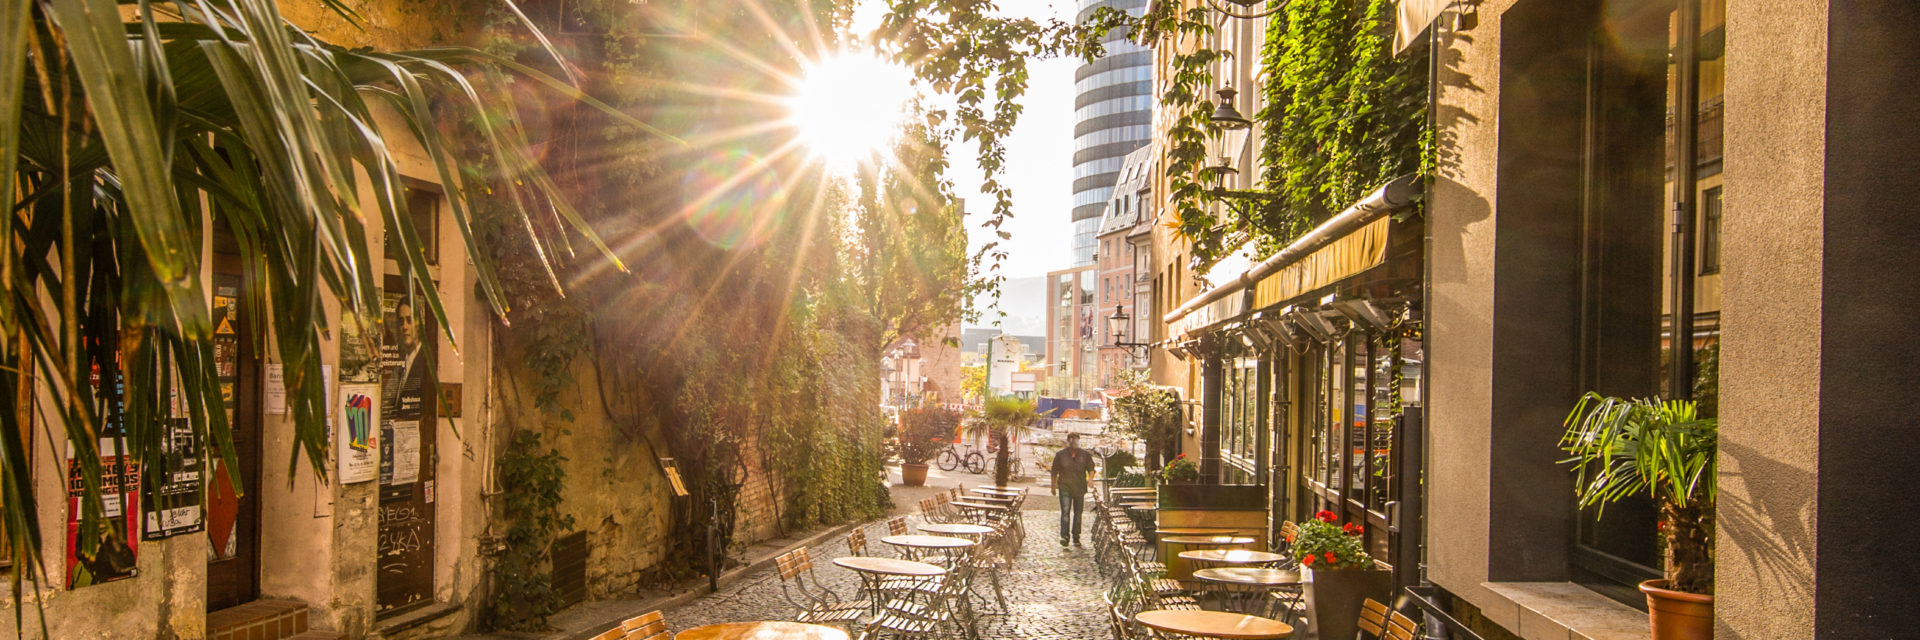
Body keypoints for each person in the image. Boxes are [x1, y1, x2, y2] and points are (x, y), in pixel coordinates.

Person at [1050, 433, 1096, 547]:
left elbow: (1091, 468)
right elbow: (1054, 471)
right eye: (1073, 441)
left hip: (1079, 487)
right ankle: (1065, 536)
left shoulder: (1085, 454)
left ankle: (1076, 536)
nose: (1075, 443)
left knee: (1078, 513)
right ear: (1069, 441)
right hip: (1065, 486)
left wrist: (1090, 479)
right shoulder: (1061, 455)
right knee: (1065, 512)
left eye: (1076, 440)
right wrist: (1053, 486)